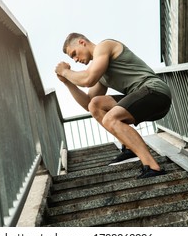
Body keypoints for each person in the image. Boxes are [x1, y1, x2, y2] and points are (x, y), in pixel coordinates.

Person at [55, 33, 172, 179]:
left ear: (82, 42)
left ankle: (153, 167)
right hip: (142, 98)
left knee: (110, 119)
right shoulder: (101, 74)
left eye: (74, 54)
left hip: (154, 91)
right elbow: (88, 103)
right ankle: (129, 148)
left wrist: (66, 71)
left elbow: (87, 79)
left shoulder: (105, 46)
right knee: (96, 105)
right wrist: (67, 81)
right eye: (72, 58)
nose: (75, 60)